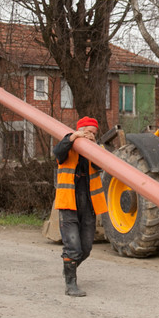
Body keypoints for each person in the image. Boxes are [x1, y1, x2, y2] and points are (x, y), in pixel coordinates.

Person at [53, 116, 108, 297]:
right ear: (80, 131)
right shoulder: (67, 146)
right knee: (73, 247)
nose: (91, 135)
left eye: (94, 133)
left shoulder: (95, 151)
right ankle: (71, 284)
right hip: (69, 203)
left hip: (88, 205)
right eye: (88, 132)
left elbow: (103, 164)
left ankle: (70, 267)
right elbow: (57, 151)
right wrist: (72, 137)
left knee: (86, 248)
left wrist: (97, 146)